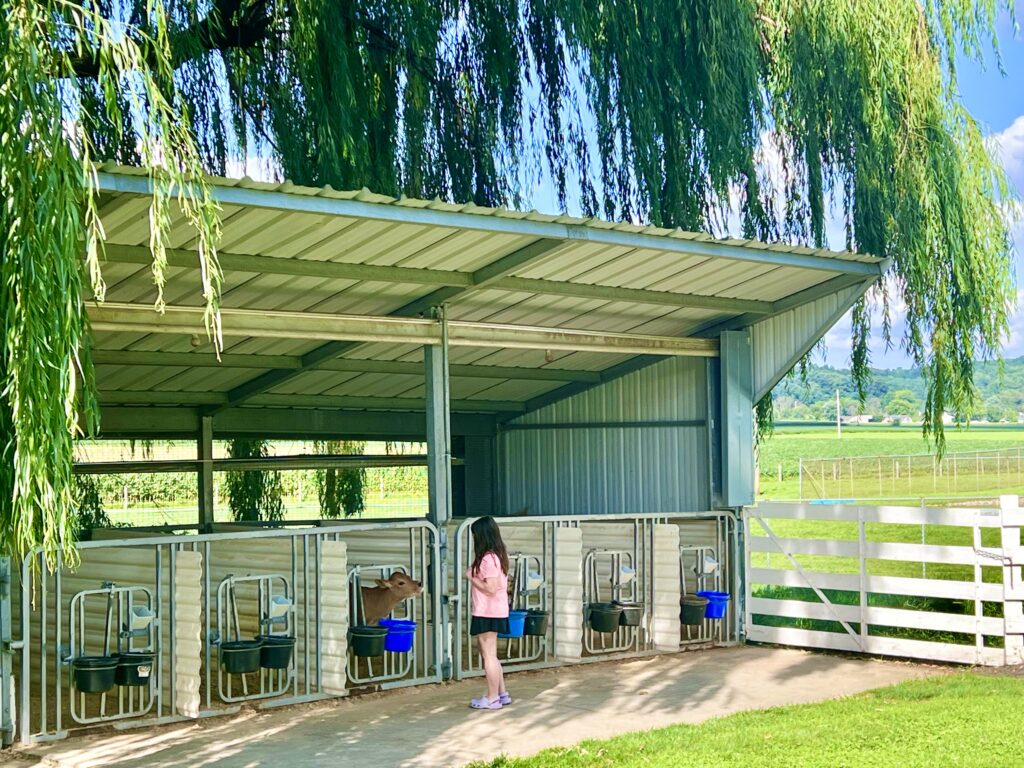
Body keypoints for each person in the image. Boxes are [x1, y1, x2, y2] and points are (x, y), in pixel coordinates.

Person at [466, 515, 511, 710]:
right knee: (491, 654)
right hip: (496, 610)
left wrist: (470, 577)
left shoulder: (487, 559)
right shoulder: (498, 555)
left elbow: (491, 588)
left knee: (488, 655)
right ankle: (501, 693)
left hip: (487, 611)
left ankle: (492, 698)